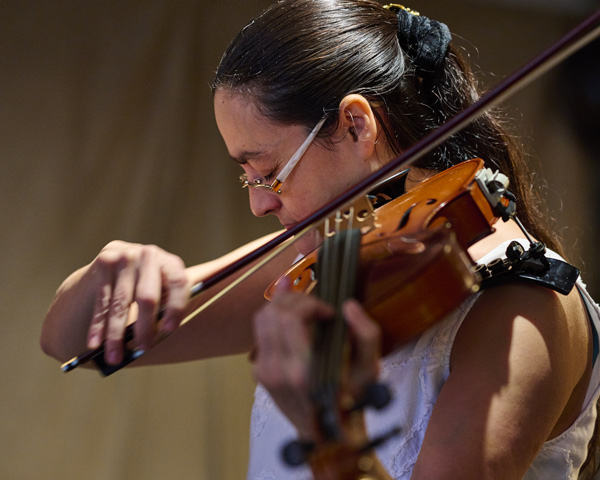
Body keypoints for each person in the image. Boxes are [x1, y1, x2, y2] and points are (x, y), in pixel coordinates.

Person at [40, 1, 600, 478]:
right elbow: (71, 342)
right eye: (246, 176)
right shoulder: (341, 251)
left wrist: (328, 429)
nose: (258, 202)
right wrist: (111, 270)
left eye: (267, 170)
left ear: (357, 125)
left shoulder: (526, 311)